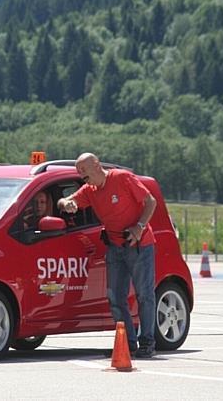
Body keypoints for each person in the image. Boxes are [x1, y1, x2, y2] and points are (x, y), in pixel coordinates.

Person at [57, 153, 157, 358]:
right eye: (78, 171)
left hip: (138, 244)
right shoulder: (90, 190)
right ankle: (128, 343)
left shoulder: (121, 178)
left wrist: (139, 227)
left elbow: (150, 201)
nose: (81, 175)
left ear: (96, 165)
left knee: (144, 295)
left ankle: (147, 342)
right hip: (115, 247)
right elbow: (64, 200)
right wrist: (66, 203)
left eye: (83, 170)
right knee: (115, 297)